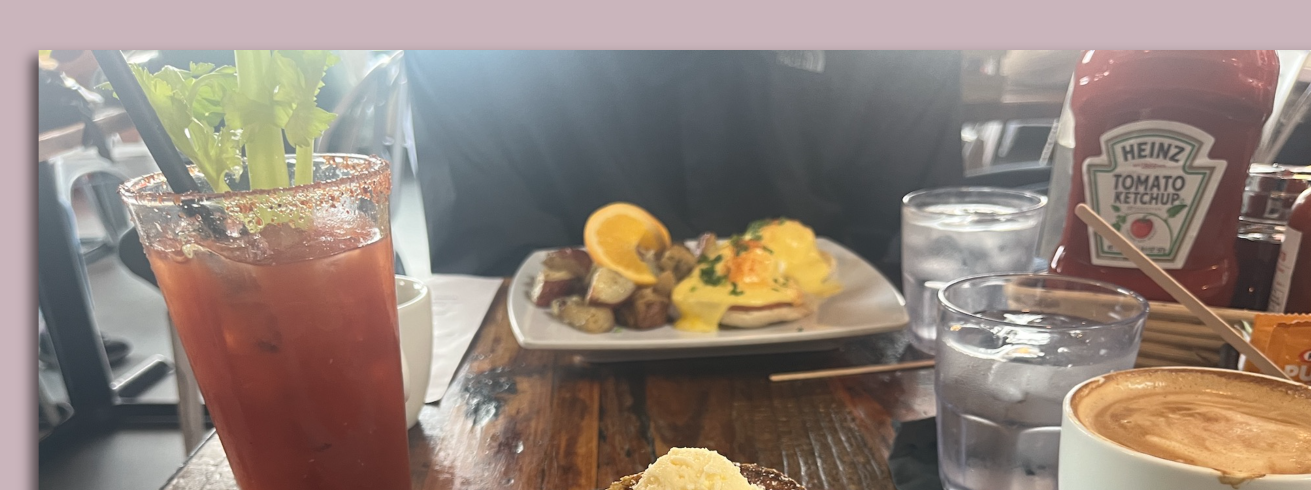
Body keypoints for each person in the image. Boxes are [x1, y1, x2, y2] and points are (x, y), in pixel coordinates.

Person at [406, 51, 964, 281]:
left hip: (849, 357)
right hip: (550, 378)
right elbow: (484, 265)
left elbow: (928, 247)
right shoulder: (465, 53)